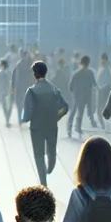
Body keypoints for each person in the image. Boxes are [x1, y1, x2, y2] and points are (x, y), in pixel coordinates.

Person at [20, 60, 70, 188]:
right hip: (51, 126)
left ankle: (43, 183)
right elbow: (65, 107)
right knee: (51, 150)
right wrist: (55, 117)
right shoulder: (54, 89)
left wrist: (23, 119)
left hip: (36, 127)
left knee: (39, 154)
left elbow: (27, 114)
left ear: (34, 74)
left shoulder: (31, 91)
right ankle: (51, 167)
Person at [67, 55, 97, 139]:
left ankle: (69, 129)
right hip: (86, 96)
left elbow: (70, 85)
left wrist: (73, 93)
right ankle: (78, 127)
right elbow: (94, 84)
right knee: (80, 112)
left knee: (73, 112)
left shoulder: (76, 73)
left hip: (76, 96)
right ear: (88, 63)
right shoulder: (90, 73)